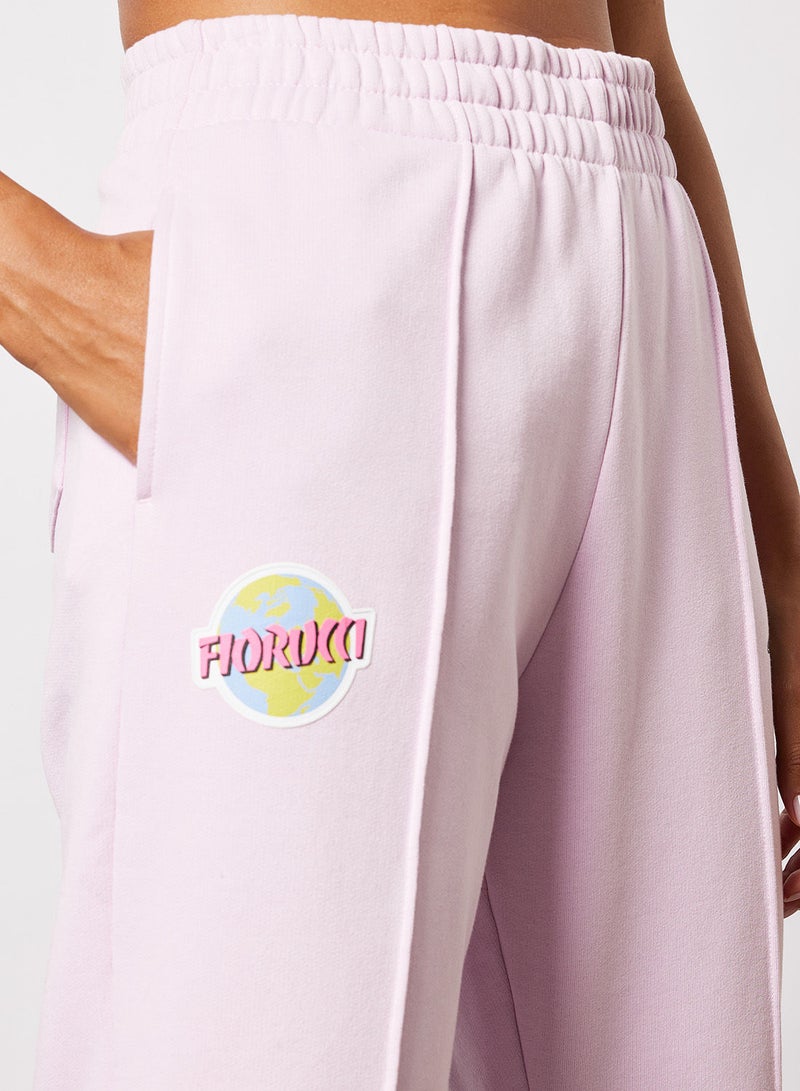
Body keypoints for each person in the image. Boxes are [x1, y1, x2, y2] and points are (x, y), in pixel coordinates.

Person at [1, 0, 796, 1087]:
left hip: (629, 211)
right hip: (310, 217)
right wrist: (54, 292)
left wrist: (779, 547)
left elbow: (641, 34)